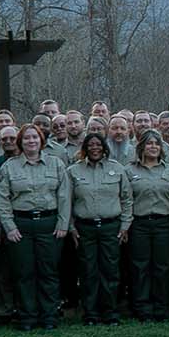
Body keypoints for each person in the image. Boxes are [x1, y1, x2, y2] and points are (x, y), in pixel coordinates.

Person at [0, 125, 71, 331]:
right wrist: (9, 227)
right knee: (24, 272)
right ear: (20, 142)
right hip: (21, 225)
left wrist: (63, 223)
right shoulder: (9, 167)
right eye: (27, 138)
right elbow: (2, 200)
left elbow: (64, 196)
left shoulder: (55, 164)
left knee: (49, 271)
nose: (31, 141)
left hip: (49, 223)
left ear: (41, 141)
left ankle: (49, 315)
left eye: (35, 138)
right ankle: (27, 315)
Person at [67, 132, 133, 325]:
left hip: (111, 227)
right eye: (91, 145)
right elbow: (67, 202)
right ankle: (91, 313)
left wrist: (125, 225)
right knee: (88, 272)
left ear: (104, 147)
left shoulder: (117, 169)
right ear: (85, 148)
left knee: (110, 271)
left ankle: (110, 312)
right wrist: (71, 227)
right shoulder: (73, 171)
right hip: (84, 228)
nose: (95, 148)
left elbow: (127, 199)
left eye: (98, 144)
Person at [126, 131, 169, 322]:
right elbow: (125, 199)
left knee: (163, 267)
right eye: (149, 144)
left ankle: (162, 306)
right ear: (141, 147)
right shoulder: (129, 171)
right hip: (139, 224)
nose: (153, 147)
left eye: (157, 144)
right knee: (140, 267)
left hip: (164, 224)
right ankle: (142, 307)